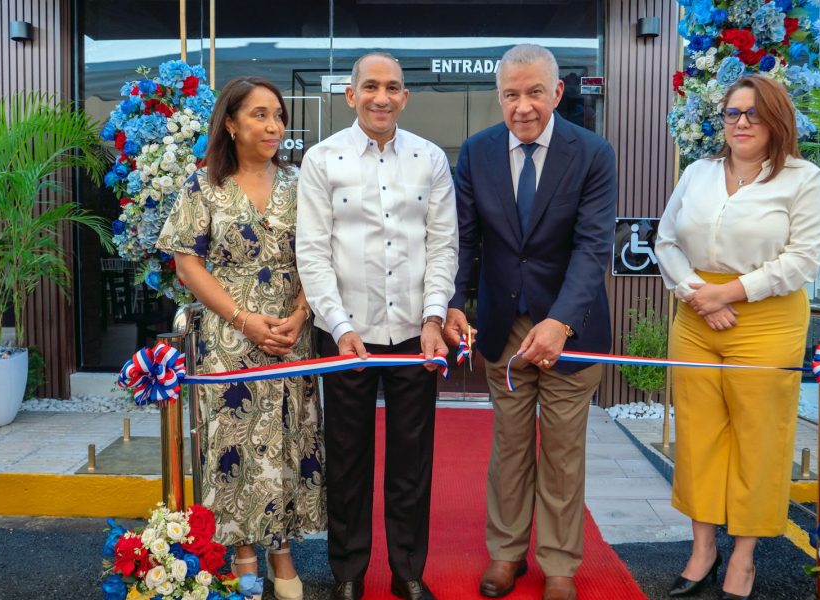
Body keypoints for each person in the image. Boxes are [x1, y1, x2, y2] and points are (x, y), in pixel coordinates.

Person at [444, 44, 617, 600]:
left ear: (557, 93)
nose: (523, 106)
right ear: (500, 97)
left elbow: (594, 248)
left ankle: (561, 563)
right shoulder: (476, 152)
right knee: (510, 447)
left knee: (563, 451)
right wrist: (455, 305)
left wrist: (561, 322)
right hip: (503, 327)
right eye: (511, 95)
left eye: (534, 92)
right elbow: (467, 239)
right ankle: (506, 554)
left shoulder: (592, 152)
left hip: (573, 325)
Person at [654, 74, 820, 600]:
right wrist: (694, 293)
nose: (741, 123)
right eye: (732, 113)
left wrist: (729, 293)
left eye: (753, 113)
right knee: (699, 437)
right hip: (695, 314)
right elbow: (666, 240)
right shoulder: (699, 173)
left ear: (777, 119)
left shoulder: (803, 179)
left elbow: (803, 260)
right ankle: (703, 551)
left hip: (766, 318)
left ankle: (745, 560)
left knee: (758, 440)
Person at [295, 52, 458, 600]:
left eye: (392, 87)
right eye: (370, 86)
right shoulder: (322, 160)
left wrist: (435, 316)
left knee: (412, 460)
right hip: (346, 334)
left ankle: (409, 570)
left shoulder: (430, 159)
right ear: (351, 94)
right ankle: (348, 575)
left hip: (417, 333)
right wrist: (338, 326)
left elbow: (443, 246)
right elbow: (312, 254)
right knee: (347, 458)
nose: (381, 97)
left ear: (405, 97)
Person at [157, 76, 326, 600]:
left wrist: (300, 315)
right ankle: (244, 551)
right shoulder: (203, 184)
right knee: (233, 442)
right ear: (230, 123)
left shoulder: (302, 183)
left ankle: (282, 550)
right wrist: (242, 318)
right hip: (230, 335)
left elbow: (323, 259)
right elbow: (187, 262)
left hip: (291, 333)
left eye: (277, 114)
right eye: (259, 114)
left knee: (287, 437)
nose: (274, 125)